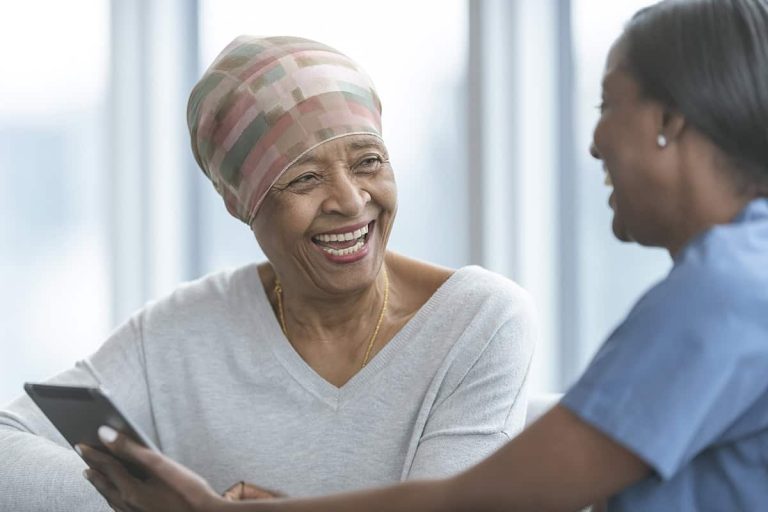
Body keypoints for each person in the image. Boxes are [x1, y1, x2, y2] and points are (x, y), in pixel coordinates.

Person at [76, 0, 768, 510]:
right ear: (241, 201)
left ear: (669, 124)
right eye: (304, 177)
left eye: (606, 103)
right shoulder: (739, 280)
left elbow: (479, 501)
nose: (592, 143)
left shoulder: (727, 294)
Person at [0, 36, 537, 511]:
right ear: (242, 202)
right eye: (303, 178)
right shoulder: (182, 331)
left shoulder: (479, 318)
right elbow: (8, 444)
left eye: (368, 161)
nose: (351, 202)